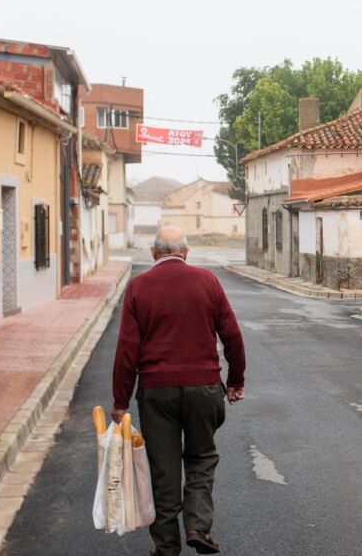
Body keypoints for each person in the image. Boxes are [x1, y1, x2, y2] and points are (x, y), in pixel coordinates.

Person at [112, 226, 246, 556]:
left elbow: (127, 349)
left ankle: (167, 546)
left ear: (153, 253)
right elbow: (232, 335)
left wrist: (120, 400)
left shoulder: (138, 287)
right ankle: (198, 526)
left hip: (157, 392)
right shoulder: (208, 282)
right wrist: (235, 381)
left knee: (163, 466)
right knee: (201, 457)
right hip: (204, 389)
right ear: (186, 252)